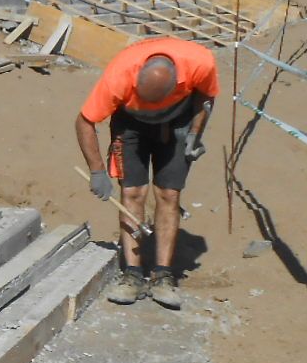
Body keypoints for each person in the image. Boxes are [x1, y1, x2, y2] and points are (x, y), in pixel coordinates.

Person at [75, 37, 218, 309]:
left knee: (169, 194)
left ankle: (163, 275)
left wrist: (195, 134)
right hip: (131, 124)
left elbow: (207, 96)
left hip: (178, 121)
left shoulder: (201, 62)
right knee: (132, 193)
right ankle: (133, 274)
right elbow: (85, 121)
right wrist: (97, 171)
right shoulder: (119, 75)